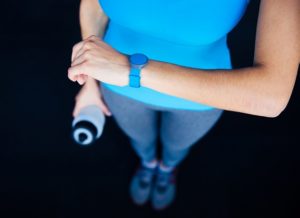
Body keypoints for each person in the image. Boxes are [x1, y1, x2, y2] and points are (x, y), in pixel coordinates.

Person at [69, 0, 300, 210]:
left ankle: (167, 169)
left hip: (202, 97)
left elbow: (271, 97)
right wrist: (89, 82)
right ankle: (148, 164)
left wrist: (132, 71)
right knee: (140, 141)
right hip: (118, 87)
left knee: (176, 147)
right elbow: (94, 5)